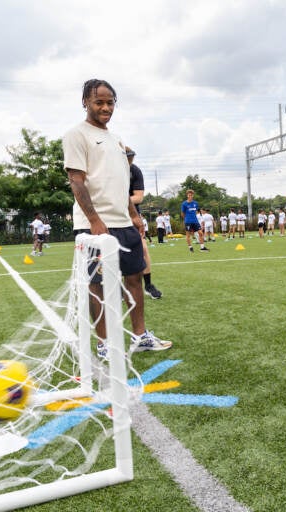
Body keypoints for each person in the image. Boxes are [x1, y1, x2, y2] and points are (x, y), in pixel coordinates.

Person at [64, 78, 171, 354]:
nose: (105, 107)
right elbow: (77, 181)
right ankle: (104, 344)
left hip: (124, 223)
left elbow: (121, 182)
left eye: (110, 102)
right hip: (94, 228)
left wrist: (134, 215)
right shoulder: (77, 135)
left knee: (135, 278)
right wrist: (95, 221)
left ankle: (140, 337)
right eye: (98, 101)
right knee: (97, 285)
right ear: (85, 102)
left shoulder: (116, 139)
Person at [127, 146, 161, 298]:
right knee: (113, 252)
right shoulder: (108, 171)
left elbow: (138, 197)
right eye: (127, 158)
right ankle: (121, 287)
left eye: (131, 158)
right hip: (110, 215)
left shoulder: (135, 171)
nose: (130, 162)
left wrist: (116, 200)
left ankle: (148, 285)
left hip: (132, 214)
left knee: (143, 249)